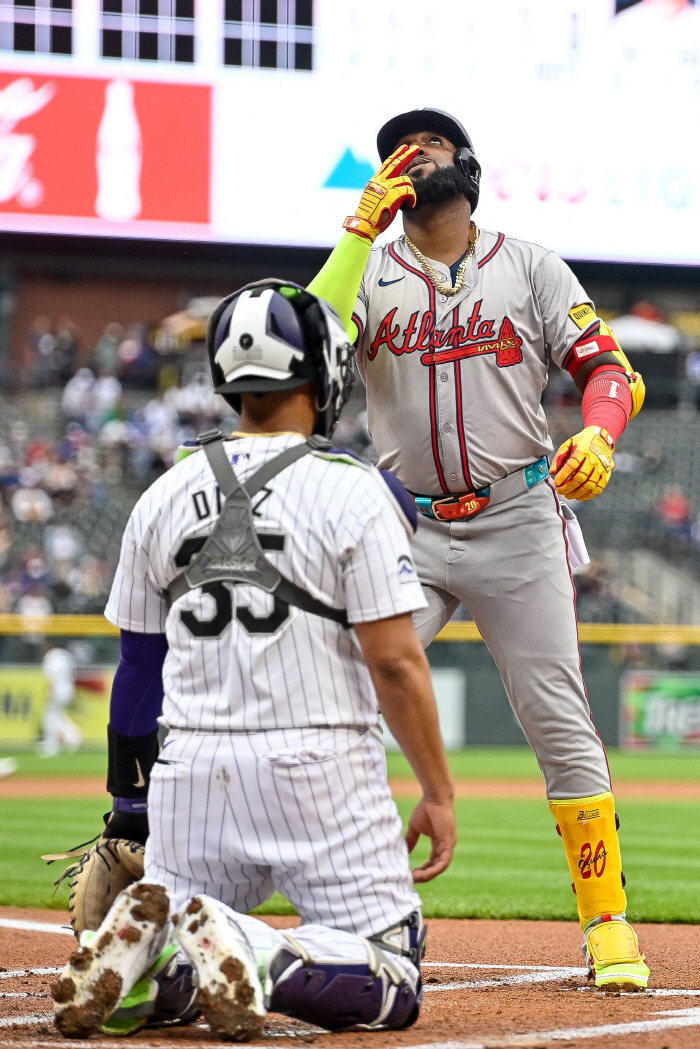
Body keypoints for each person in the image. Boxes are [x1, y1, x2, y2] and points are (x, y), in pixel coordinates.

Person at [52, 281, 456, 1040]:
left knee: (180, 929)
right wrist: (437, 788)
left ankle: (146, 970)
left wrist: (128, 805)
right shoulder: (356, 490)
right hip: (318, 767)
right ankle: (256, 950)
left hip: (191, 771)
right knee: (392, 973)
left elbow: (138, 667)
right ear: (324, 374)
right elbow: (396, 664)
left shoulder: (163, 491)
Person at [307, 108, 649, 990]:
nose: (416, 155)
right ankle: (348, 899)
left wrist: (602, 435)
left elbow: (606, 366)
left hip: (517, 517)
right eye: (399, 150)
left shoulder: (530, 263)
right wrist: (355, 233)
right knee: (334, 691)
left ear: (469, 166)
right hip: (406, 527)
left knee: (558, 719)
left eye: (433, 144)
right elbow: (302, 343)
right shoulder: (369, 270)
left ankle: (608, 923)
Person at [38, 643, 82, 757]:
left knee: (49, 717)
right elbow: (74, 673)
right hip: (68, 688)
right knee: (57, 716)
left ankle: (51, 745)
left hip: (57, 689)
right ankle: (74, 737)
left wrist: (49, 693)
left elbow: (51, 677)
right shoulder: (65, 655)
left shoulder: (50, 656)